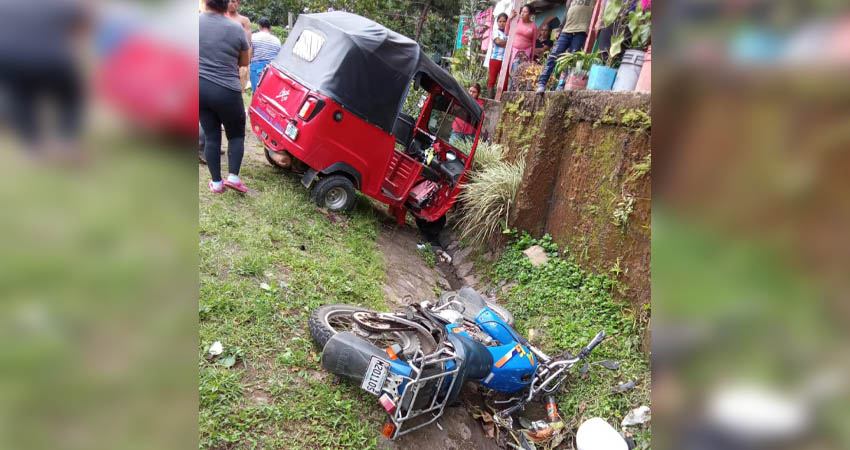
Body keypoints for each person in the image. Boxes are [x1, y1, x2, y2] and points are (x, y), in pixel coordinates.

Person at [200, 0, 251, 193]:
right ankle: (233, 178)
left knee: (212, 136)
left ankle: (216, 183)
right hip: (226, 89)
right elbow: (244, 61)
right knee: (236, 135)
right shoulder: (236, 27)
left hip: (199, 87)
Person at [536, 0, 594, 94]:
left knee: (572, 60)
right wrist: (560, 28)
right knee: (553, 56)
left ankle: (562, 85)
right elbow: (566, 13)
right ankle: (541, 84)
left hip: (580, 32)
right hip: (566, 31)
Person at [503, 4, 537, 92]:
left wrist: (532, 58)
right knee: (515, 73)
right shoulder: (516, 21)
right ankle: (511, 93)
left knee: (524, 75)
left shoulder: (533, 25)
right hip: (515, 52)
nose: (522, 13)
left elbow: (533, 43)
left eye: (525, 12)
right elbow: (506, 33)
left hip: (526, 53)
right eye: (522, 11)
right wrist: (509, 19)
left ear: (530, 14)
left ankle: (520, 94)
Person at [225, 0, 252, 92]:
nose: (230, 4)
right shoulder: (219, 17)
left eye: (233, 1)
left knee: (235, 90)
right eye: (228, 1)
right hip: (219, 58)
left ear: (238, 3)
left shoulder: (244, 20)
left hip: (237, 60)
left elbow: (247, 43)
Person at [250, 17, 281, 94]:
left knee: (257, 93)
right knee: (268, 94)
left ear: (259, 26)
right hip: (271, 70)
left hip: (256, 68)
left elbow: (249, 54)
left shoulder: (253, 37)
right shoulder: (277, 41)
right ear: (270, 28)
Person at [486, 13, 508, 98]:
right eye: (500, 21)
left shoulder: (509, 33)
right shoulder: (495, 32)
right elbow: (498, 42)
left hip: (505, 60)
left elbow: (501, 42)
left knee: (505, 82)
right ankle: (489, 100)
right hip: (495, 59)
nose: (502, 23)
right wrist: (509, 42)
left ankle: (503, 100)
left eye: (504, 21)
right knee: (492, 81)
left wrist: (504, 43)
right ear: (497, 22)